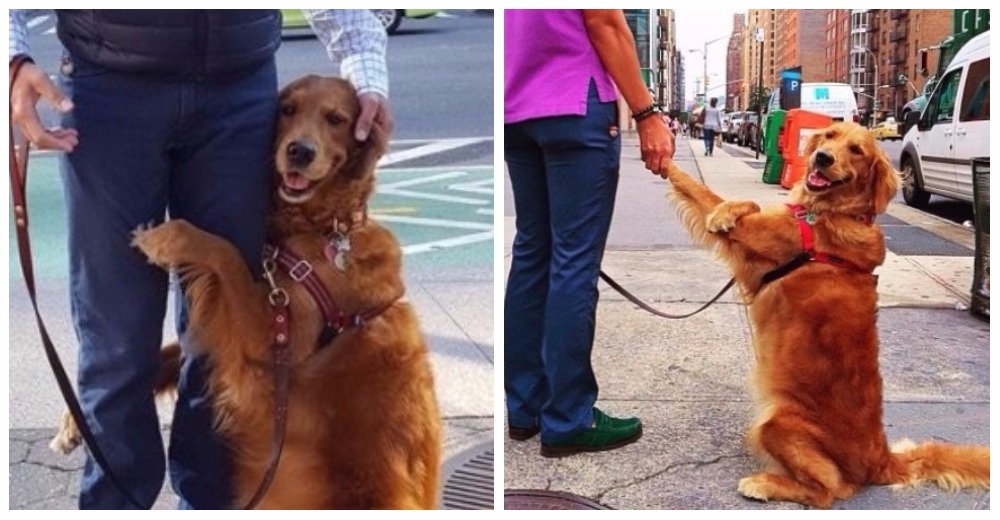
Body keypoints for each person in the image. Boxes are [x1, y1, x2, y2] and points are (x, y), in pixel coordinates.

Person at [9, 9, 392, 509]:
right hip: (110, 86)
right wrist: (11, 57)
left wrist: (365, 70)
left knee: (224, 342)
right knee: (117, 346)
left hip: (239, 89)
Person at [504, 9, 674, 457]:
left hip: (515, 107)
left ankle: (524, 409)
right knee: (573, 262)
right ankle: (568, 418)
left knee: (532, 255)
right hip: (575, 101)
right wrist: (647, 113)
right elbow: (604, 20)